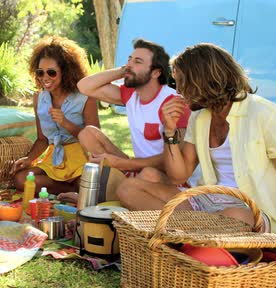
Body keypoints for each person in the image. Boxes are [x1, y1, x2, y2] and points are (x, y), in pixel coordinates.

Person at [120, 43, 276, 234]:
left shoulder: (265, 114)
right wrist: (169, 132)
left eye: (182, 82)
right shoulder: (199, 118)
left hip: (252, 210)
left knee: (234, 217)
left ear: (202, 81)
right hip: (208, 202)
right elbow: (178, 176)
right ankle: (198, 234)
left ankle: (186, 234)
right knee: (128, 189)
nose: (178, 91)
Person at [57, 39, 191, 203]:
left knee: (149, 173)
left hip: (166, 179)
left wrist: (124, 164)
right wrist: (123, 71)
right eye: (129, 59)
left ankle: (100, 197)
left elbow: (174, 161)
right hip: (136, 168)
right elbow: (85, 87)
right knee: (88, 134)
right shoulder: (130, 95)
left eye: (138, 61)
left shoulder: (173, 104)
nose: (129, 64)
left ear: (156, 73)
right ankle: (109, 193)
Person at [10, 36, 100, 194]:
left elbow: (96, 140)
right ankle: (70, 190)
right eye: (40, 72)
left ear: (66, 71)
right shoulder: (40, 99)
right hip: (54, 160)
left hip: (81, 158)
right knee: (21, 179)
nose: (45, 77)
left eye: (51, 72)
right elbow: (42, 140)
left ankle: (76, 188)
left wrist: (67, 124)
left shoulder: (85, 96)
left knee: (90, 185)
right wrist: (29, 159)